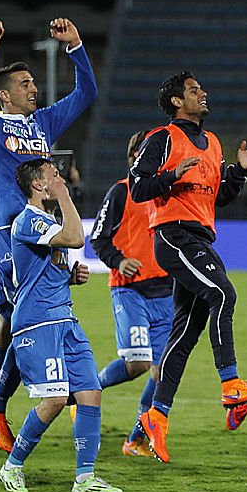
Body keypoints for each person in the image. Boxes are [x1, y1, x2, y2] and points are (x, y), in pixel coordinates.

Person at [0, 18, 97, 472]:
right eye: (25, 84)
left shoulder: (45, 122)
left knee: (12, 326)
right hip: (7, 235)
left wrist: (77, 48)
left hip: (40, 239)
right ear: (5, 94)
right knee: (25, 319)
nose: (34, 89)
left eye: (33, 82)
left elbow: (86, 94)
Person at [128, 71, 247, 463]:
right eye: (193, 90)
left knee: (185, 334)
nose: (203, 93)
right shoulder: (163, 138)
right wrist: (171, 174)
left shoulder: (213, 142)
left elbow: (217, 197)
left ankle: (156, 415)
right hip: (173, 235)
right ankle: (231, 383)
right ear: (175, 101)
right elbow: (139, 187)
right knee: (223, 293)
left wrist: (239, 170)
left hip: (199, 238)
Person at [0, 158, 121, 492]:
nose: (60, 179)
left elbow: (42, 269)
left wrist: (70, 278)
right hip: (38, 324)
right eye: (53, 176)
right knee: (53, 400)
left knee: (90, 393)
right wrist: (65, 195)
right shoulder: (28, 221)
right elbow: (75, 237)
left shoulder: (46, 220)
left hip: (64, 318)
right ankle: (12, 466)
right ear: (39, 185)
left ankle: (85, 477)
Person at [89, 131, 174, 457]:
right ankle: (87, 389)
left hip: (167, 294)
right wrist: (119, 260)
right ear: (133, 157)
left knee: (162, 371)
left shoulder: (168, 194)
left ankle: (136, 438)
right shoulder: (121, 192)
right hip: (130, 291)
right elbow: (98, 238)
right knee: (138, 363)